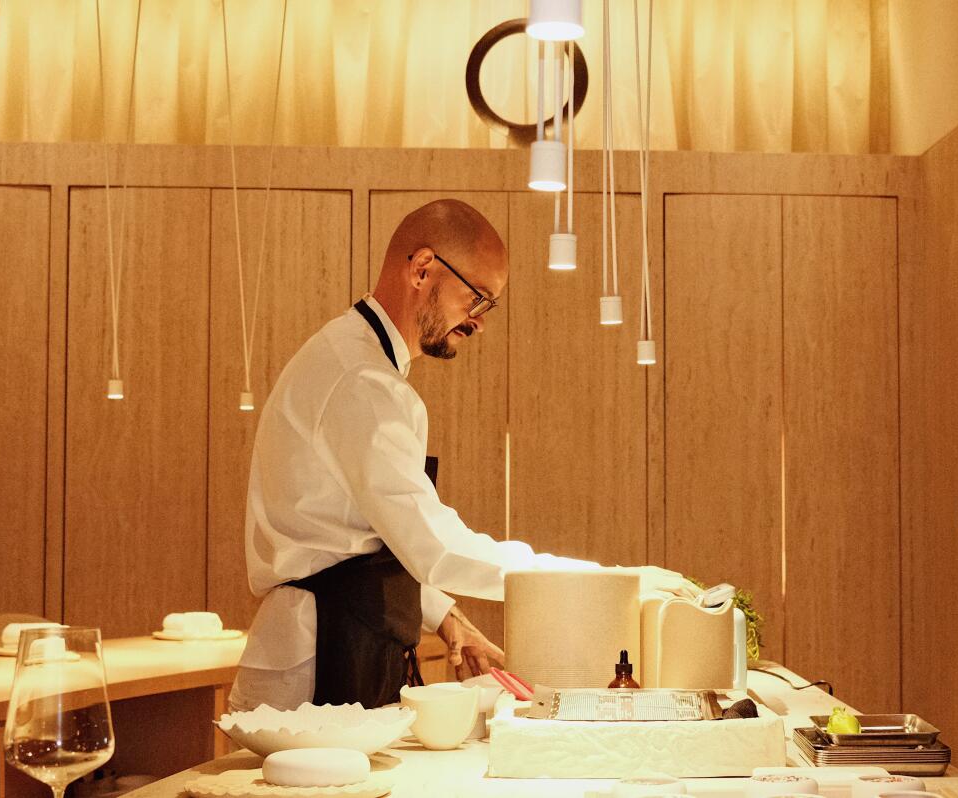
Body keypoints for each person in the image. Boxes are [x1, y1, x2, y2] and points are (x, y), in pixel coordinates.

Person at [229, 199, 695, 711]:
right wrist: (607, 581)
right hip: (321, 656)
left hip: (340, 635)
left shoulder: (355, 361)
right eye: (477, 299)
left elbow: (354, 540)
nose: (478, 322)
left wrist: (446, 615)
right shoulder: (363, 380)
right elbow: (436, 548)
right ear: (423, 268)